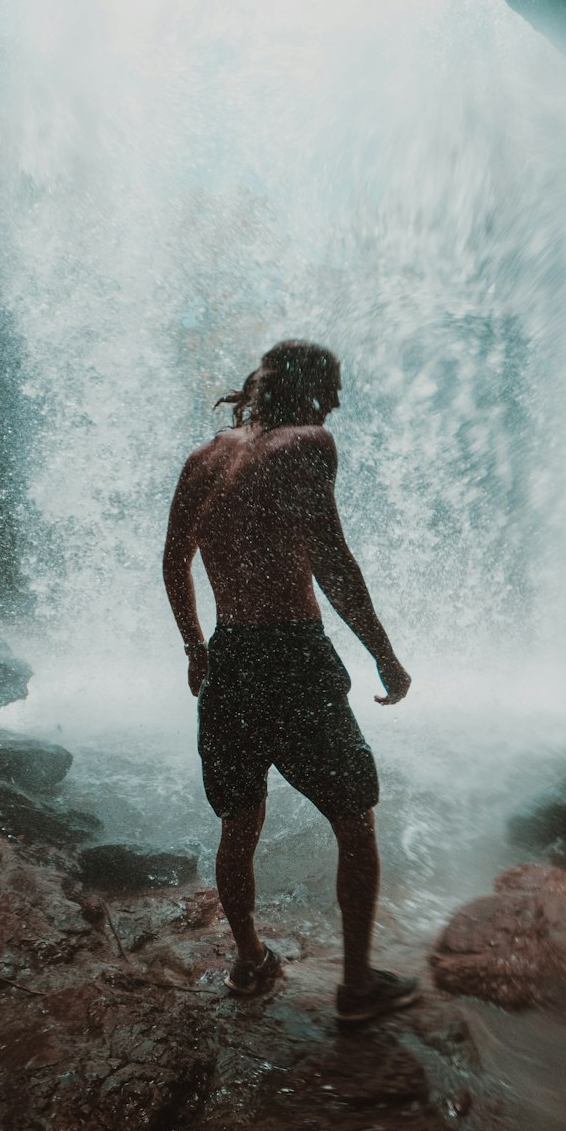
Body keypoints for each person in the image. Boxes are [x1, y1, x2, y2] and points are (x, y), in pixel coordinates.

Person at [163, 340, 419, 1022]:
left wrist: (195, 646)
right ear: (306, 390)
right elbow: (332, 560)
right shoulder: (306, 444)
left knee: (239, 820)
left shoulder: (205, 456)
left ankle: (250, 961)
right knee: (354, 819)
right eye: (332, 388)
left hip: (230, 659)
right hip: (293, 657)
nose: (336, 404)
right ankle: (359, 985)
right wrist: (384, 655)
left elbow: (172, 560)